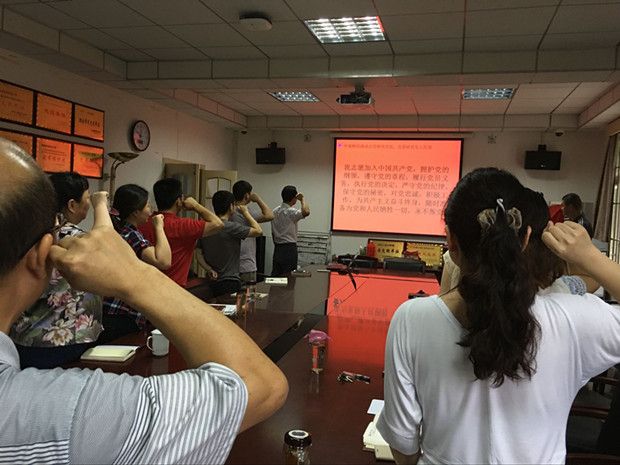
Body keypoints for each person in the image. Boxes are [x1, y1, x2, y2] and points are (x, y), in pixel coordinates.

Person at [0, 137, 287, 463]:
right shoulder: (70, 411)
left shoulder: (136, 230)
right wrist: (135, 276)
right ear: (42, 256)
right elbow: (261, 386)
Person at [378, 167, 620, 464]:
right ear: (526, 239)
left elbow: (403, 445)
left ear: (450, 242)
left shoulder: (411, 320)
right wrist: (590, 256)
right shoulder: (571, 320)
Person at [10, 172, 103, 368]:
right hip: (65, 340)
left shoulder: (29, 231)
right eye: (87, 198)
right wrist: (101, 206)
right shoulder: (76, 239)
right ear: (72, 205)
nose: (89, 204)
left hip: (25, 336)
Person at [101, 184, 171, 342]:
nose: (151, 210)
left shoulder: (115, 231)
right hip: (123, 313)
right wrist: (159, 227)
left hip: (109, 309)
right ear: (135, 212)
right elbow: (164, 261)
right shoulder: (131, 234)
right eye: (147, 206)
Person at [139, 178, 223, 287]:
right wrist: (196, 206)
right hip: (174, 289)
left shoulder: (143, 223)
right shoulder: (183, 225)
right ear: (179, 201)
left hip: (146, 287)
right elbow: (218, 224)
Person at [196, 191, 262, 297]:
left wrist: (209, 269)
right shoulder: (230, 227)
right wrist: (246, 213)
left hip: (211, 280)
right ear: (231, 206)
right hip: (230, 281)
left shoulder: (206, 227)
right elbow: (258, 231)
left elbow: (198, 253)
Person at [231, 180, 274, 284]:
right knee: (248, 293)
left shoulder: (229, 210)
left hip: (230, 265)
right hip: (247, 264)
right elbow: (270, 215)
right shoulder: (246, 212)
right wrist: (258, 199)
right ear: (247, 195)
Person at [271, 185, 310, 276]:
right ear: (294, 198)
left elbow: (272, 233)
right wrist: (302, 199)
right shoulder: (291, 211)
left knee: (276, 277)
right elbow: (306, 212)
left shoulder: (274, 211)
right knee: (289, 278)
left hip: (277, 248)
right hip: (289, 248)